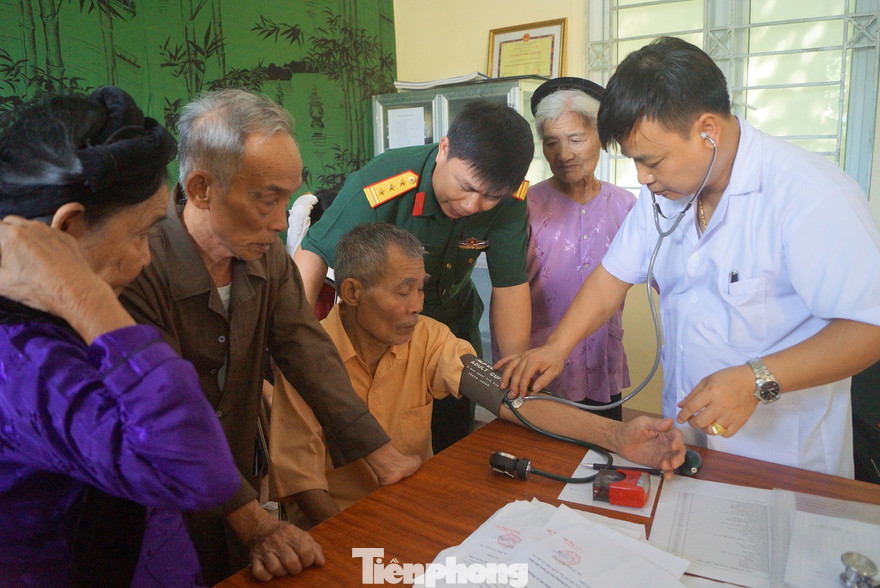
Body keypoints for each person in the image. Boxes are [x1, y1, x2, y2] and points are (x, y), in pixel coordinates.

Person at [501, 36, 880, 478]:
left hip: (785, 457)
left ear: (708, 131)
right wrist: (557, 348)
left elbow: (868, 328)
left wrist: (755, 379)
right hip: (686, 441)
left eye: (652, 161)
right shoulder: (665, 195)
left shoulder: (812, 196)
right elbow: (610, 279)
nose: (642, 178)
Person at [119, 88, 419, 584]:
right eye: (266, 198)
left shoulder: (265, 254)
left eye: (288, 197)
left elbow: (308, 352)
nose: (282, 222)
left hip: (234, 481)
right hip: (156, 499)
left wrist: (381, 454)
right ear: (200, 190)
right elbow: (165, 410)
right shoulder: (137, 263)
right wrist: (254, 521)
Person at [271, 223, 686, 527]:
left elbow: (509, 400)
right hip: (341, 526)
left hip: (413, 511)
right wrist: (360, 549)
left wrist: (617, 437)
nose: (418, 304)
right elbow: (305, 488)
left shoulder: (429, 338)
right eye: (403, 291)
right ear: (352, 293)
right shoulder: (306, 363)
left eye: (422, 288)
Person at [0, 87, 241, 586]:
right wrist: (84, 294)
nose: (147, 258)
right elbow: (200, 471)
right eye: (142, 234)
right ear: (68, 229)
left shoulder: (53, 333)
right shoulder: (26, 363)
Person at [295, 101, 535, 453]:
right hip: (381, 334)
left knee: (452, 440)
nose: (472, 206)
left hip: (452, 329)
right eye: (466, 187)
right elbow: (314, 252)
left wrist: (512, 382)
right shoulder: (387, 180)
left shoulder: (510, 199)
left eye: (489, 197)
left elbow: (510, 284)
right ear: (444, 149)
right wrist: (296, 345)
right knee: (382, 440)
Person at [499, 77, 637, 421]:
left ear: (601, 138)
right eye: (551, 143)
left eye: (576, 139)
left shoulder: (626, 206)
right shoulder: (522, 207)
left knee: (604, 459)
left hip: (602, 361)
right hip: (537, 370)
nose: (564, 155)